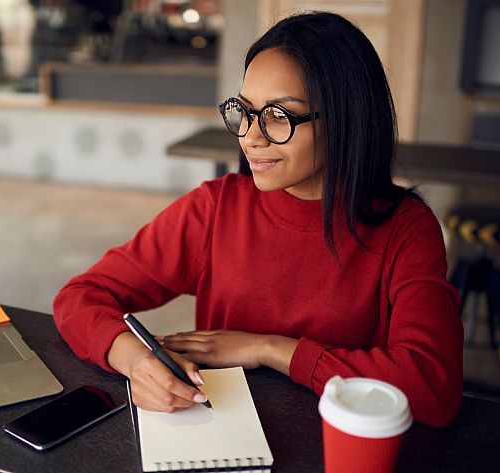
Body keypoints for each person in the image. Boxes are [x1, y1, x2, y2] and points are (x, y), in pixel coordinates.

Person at [53, 11, 463, 427]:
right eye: (245, 111)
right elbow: (80, 297)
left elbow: (432, 386)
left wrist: (269, 348)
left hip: (336, 446)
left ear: (345, 118)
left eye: (280, 115)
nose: (250, 135)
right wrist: (136, 359)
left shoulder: (406, 230)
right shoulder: (215, 209)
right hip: (221, 441)